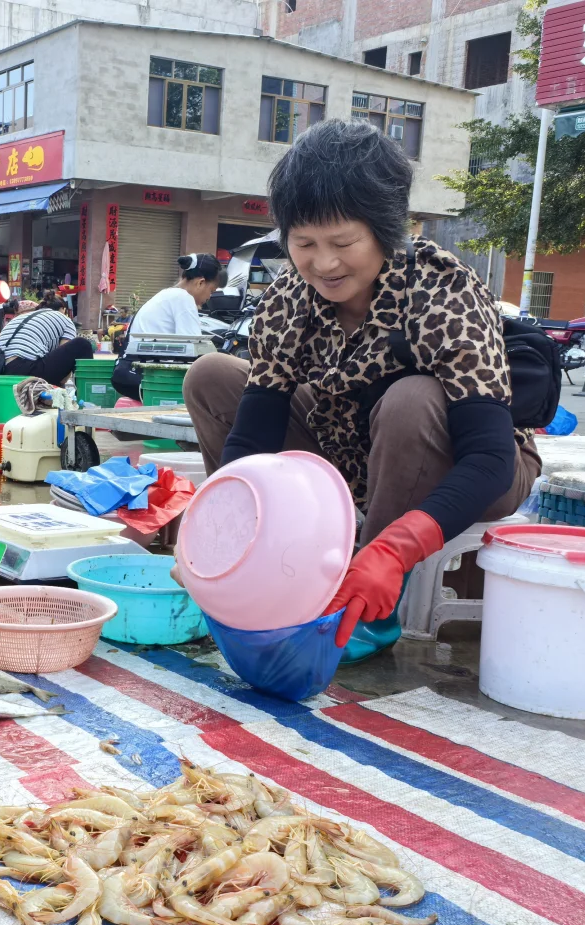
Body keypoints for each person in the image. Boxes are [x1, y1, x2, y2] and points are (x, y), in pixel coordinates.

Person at [182, 120, 541, 664]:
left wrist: (391, 553)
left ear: (384, 230)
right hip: (351, 449)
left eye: (343, 243)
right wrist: (215, 535)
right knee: (212, 376)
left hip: (475, 467)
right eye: (304, 243)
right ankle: (262, 560)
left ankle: (370, 599)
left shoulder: (443, 289)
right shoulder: (287, 299)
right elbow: (253, 433)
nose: (323, 264)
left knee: (412, 397)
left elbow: (490, 458)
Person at [113, 253, 225, 400]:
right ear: (200, 283)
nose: (209, 297)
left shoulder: (166, 294)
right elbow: (195, 349)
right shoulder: (184, 298)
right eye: (211, 291)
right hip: (145, 377)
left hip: (126, 373)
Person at [0, 292, 94, 386]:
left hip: (0, 369)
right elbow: (64, 370)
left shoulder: (23, 317)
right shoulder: (66, 320)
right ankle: (87, 395)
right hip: (25, 368)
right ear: (63, 309)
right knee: (82, 345)